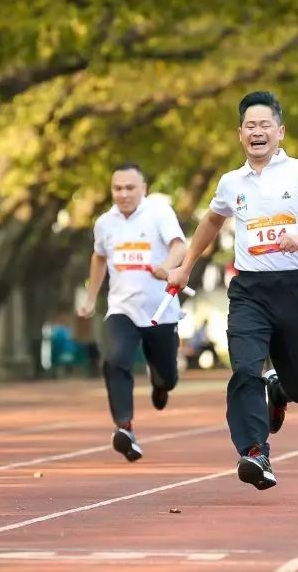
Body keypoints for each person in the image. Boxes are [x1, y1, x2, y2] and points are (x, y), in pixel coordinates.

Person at [166, 90, 298, 490]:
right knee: (245, 368)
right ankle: (254, 452)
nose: (258, 132)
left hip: (295, 289)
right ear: (240, 134)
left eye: (265, 125)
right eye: (250, 126)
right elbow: (211, 222)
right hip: (248, 290)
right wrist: (186, 266)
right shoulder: (232, 183)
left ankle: (279, 388)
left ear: (280, 132)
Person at [77, 162, 188, 463]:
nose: (124, 194)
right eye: (118, 188)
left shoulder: (159, 212)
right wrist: (90, 298)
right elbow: (99, 258)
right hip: (121, 309)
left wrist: (167, 268)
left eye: (130, 188)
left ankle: (161, 386)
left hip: (160, 309)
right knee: (114, 360)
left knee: (167, 377)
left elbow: (180, 246)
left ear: (143, 189)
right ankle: (124, 427)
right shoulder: (104, 223)